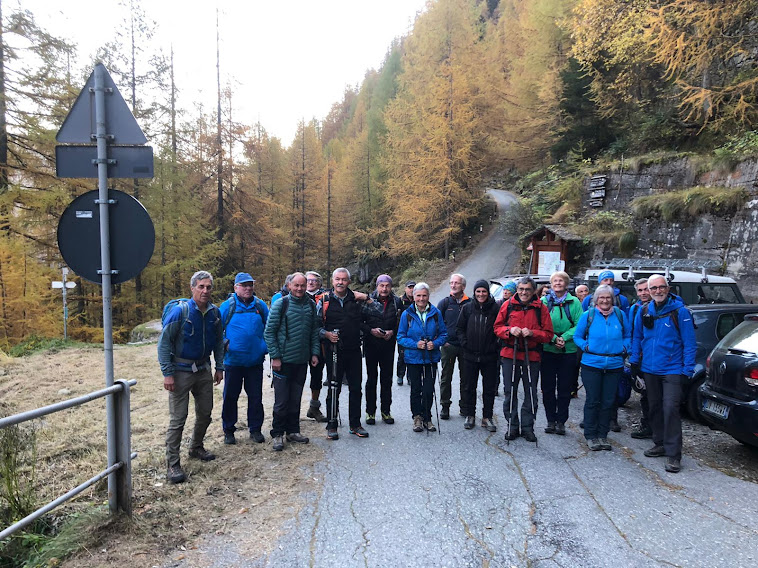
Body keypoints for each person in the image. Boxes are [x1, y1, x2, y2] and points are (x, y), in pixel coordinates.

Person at [158, 271, 225, 484]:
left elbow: (219, 342)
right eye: (201, 286)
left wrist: (220, 366)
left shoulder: (215, 313)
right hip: (180, 371)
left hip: (203, 369)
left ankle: (196, 447)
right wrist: (168, 374)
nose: (205, 291)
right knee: (178, 418)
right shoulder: (180, 312)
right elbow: (164, 343)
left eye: (208, 287)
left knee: (205, 413)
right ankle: (173, 464)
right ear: (192, 288)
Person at [630, 274, 696, 474]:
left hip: (672, 369)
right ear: (649, 291)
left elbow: (690, 343)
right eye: (654, 288)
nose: (658, 291)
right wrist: (634, 361)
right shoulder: (643, 311)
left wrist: (687, 370)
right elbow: (637, 337)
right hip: (650, 369)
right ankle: (659, 443)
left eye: (661, 287)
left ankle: (674, 454)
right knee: (655, 407)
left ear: (668, 289)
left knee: (671, 409)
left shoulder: (680, 312)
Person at [264, 272, 321, 451]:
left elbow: (314, 331)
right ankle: (277, 434)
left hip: (301, 361)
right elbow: (269, 332)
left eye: (303, 285)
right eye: (296, 285)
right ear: (289, 286)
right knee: (281, 401)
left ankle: (293, 431)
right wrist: (275, 357)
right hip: (282, 361)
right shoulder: (281, 304)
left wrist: (314, 353)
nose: (300, 288)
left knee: (295, 399)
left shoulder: (311, 305)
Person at [319, 268, 378, 440]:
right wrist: (326, 334)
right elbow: (314, 326)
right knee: (333, 388)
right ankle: (332, 425)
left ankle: (355, 424)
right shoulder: (324, 300)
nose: (340, 282)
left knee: (356, 388)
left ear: (349, 282)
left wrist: (366, 297)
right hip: (333, 351)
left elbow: (378, 312)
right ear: (332, 281)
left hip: (353, 350)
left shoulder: (356, 299)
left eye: (344, 279)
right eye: (337, 279)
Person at [494, 276, 553, 443]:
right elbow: (497, 327)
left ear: (533, 291)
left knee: (530, 392)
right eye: (521, 289)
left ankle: (528, 427)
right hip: (509, 354)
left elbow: (548, 334)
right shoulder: (508, 305)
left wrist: (533, 333)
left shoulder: (541, 308)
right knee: (510, 391)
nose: (524, 292)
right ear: (517, 290)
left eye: (527, 289)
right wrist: (509, 331)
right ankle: (512, 425)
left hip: (531, 356)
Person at [573, 285, 631, 451]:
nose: (605, 300)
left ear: (612, 299)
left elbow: (628, 335)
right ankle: (591, 435)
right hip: (591, 364)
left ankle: (603, 435)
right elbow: (577, 336)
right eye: (601, 297)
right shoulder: (588, 315)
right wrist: (586, 346)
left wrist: (625, 347)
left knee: (608, 401)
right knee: (593, 400)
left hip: (614, 365)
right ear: (596, 299)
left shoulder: (620, 315)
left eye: (608, 297)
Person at [219, 272, 270, 445]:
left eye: (250, 285)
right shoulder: (227, 306)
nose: (248, 288)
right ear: (236, 288)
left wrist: (264, 347)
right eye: (244, 285)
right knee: (230, 397)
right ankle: (228, 430)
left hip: (255, 361)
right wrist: (225, 344)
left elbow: (269, 327)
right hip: (233, 361)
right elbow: (216, 330)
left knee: (255, 397)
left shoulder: (260, 305)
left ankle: (255, 429)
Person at [397, 282, 448, 432]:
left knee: (428, 389)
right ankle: (417, 417)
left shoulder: (436, 313)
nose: (421, 299)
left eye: (424, 295)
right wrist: (415, 344)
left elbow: (444, 334)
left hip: (430, 357)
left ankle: (427, 417)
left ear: (428, 296)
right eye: (418, 295)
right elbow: (400, 337)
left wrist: (435, 343)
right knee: (416, 389)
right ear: (413, 297)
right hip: (413, 358)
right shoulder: (407, 314)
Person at [541, 271, 584, 435]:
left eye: (561, 281)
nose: (558, 283)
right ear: (551, 284)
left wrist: (564, 338)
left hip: (568, 350)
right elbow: (540, 324)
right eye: (555, 281)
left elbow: (580, 324)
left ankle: (561, 421)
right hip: (548, 349)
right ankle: (550, 420)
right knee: (548, 387)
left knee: (565, 388)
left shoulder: (574, 302)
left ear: (566, 284)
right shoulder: (544, 302)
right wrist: (553, 338)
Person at [456, 279, 500, 431]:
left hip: (490, 356)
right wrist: (465, 343)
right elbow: (459, 328)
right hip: (470, 355)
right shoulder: (467, 308)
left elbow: (500, 328)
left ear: (488, 292)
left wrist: (495, 345)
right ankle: (470, 415)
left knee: (489, 388)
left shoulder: (495, 308)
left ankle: (487, 417)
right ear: (474, 293)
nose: (481, 294)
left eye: (484, 291)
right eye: (478, 291)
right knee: (469, 387)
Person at [362, 275, 404, 425]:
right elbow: (360, 321)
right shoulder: (367, 300)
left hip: (388, 344)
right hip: (371, 344)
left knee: (386, 379)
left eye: (387, 286)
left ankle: (386, 411)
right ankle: (370, 412)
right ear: (377, 286)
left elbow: (401, 322)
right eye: (382, 285)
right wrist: (370, 330)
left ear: (391, 287)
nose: (384, 289)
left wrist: (392, 332)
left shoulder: (396, 301)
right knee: (371, 379)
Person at [436, 273, 471, 419]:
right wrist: (442, 341)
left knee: (466, 378)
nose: (453, 285)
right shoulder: (444, 303)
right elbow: (436, 323)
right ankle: (445, 406)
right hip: (448, 346)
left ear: (463, 286)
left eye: (456, 283)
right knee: (446, 377)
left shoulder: (470, 303)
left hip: (465, 347)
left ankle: (464, 407)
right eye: (451, 283)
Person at [628, 278, 653, 439]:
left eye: (646, 289)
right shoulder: (636, 309)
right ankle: (647, 425)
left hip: (658, 357)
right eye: (640, 290)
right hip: (642, 357)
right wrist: (633, 356)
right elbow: (633, 333)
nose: (644, 293)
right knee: (645, 393)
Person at [304, 271, 328, 423]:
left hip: (319, 343)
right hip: (300, 343)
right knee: (296, 378)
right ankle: (291, 410)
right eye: (308, 280)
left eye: (314, 280)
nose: (311, 283)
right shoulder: (297, 296)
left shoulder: (326, 297)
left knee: (317, 375)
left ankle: (314, 407)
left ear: (319, 283)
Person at [396, 280, 416, 385]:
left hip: (414, 332)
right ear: (405, 289)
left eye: (413, 287)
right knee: (402, 355)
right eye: (410, 287)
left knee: (412, 354)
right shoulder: (400, 300)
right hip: (403, 332)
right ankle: (400, 375)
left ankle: (410, 377)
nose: (411, 290)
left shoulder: (418, 300)